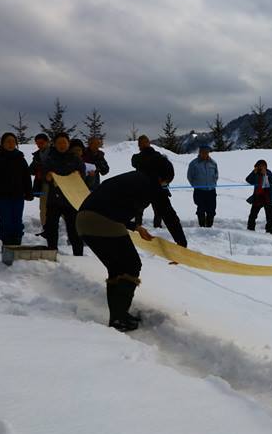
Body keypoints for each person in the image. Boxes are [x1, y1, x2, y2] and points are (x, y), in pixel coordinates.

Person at [77, 153, 187, 332]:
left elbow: (108, 205)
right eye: (166, 181)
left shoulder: (132, 178)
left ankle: (118, 316)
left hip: (83, 222)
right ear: (161, 176)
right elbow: (168, 214)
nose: (165, 185)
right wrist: (181, 246)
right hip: (103, 222)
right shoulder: (151, 183)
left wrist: (135, 227)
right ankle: (119, 318)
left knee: (117, 268)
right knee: (132, 265)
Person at [0, 133, 34, 246]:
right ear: (2, 143)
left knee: (17, 221)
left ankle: (17, 245)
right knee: (5, 222)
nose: (11, 144)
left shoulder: (20, 159)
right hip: (1, 197)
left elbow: (26, 178)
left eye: (13, 141)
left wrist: (28, 193)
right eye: (8, 141)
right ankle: (7, 246)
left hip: (18, 196)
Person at [43, 133, 86, 256]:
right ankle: (52, 252)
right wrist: (48, 177)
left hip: (71, 199)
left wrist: (77, 175)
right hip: (54, 199)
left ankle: (78, 255)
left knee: (74, 229)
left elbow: (82, 177)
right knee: (51, 226)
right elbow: (45, 178)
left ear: (68, 144)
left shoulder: (76, 159)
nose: (62, 145)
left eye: (64, 142)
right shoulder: (50, 159)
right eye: (59, 143)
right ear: (55, 144)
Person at [132, 135, 164, 228]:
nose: (144, 145)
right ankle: (138, 226)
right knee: (139, 209)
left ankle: (157, 227)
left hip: (155, 186)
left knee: (158, 208)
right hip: (142, 186)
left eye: (146, 142)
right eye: (142, 143)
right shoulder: (136, 157)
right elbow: (136, 163)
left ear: (149, 143)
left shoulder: (157, 155)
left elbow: (163, 168)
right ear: (139, 145)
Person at [188, 145, 219, 228]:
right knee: (201, 209)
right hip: (199, 191)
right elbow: (190, 177)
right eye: (203, 152)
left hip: (211, 191)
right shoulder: (194, 164)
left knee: (211, 209)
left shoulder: (213, 163)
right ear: (200, 152)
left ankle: (209, 225)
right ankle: (202, 225)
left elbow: (216, 175)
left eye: (207, 152)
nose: (205, 154)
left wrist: (213, 183)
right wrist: (195, 185)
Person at [245, 159, 272, 234]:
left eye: (262, 166)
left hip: (268, 198)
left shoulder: (269, 173)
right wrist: (253, 172)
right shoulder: (255, 174)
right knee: (252, 215)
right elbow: (248, 180)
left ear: (266, 167)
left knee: (269, 217)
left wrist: (266, 174)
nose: (261, 168)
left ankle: (269, 232)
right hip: (258, 197)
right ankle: (250, 229)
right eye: (259, 166)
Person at [29, 133, 50, 226]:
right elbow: (31, 170)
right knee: (43, 207)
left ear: (47, 142)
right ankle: (45, 227)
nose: (39, 145)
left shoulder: (55, 152)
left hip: (56, 184)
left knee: (60, 207)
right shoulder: (37, 155)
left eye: (41, 143)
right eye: (37, 143)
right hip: (42, 184)